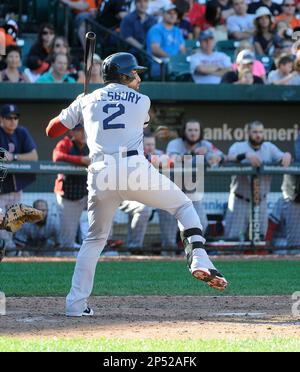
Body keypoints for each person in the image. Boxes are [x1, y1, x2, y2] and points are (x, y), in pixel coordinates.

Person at [46, 52, 228, 316]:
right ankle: (199, 258)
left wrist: (77, 106)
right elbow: (132, 120)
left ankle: (75, 305)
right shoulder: (143, 101)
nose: (138, 78)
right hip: (133, 167)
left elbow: (51, 131)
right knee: (183, 206)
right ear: (124, 75)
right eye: (135, 73)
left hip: (100, 171)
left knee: (95, 239)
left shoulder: (86, 100)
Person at [224, 121, 292, 240]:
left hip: (261, 202)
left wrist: (287, 155)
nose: (258, 135)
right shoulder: (238, 146)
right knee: (233, 239)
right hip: (240, 201)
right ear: (248, 132)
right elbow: (227, 158)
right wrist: (245, 155)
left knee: (260, 239)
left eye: (260, 132)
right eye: (255, 132)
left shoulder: (269, 147)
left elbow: (283, 157)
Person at [164, 118, 226, 244]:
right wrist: (192, 153)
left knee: (201, 223)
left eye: (196, 130)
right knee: (169, 229)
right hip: (171, 190)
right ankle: (168, 255)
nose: (193, 133)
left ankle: (192, 251)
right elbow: (172, 159)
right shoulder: (175, 143)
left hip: (191, 191)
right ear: (184, 131)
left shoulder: (205, 144)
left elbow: (223, 156)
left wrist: (216, 157)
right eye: (190, 130)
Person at [0, 104, 38, 250]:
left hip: (16, 188)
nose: (13, 121)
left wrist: (14, 157)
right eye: (9, 118)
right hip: (1, 188)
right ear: (1, 119)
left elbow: (33, 156)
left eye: (16, 117)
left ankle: (8, 253)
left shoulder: (21, 132)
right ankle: (9, 250)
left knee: (11, 226)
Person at [53, 124, 89, 253]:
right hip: (68, 194)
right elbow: (56, 156)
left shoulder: (91, 143)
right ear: (72, 132)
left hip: (86, 192)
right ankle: (64, 262)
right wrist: (81, 160)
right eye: (80, 130)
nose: (84, 133)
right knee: (67, 238)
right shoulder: (65, 143)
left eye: (85, 129)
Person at [147, 4, 186, 77]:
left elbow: (182, 49)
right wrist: (172, 58)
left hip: (175, 63)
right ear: (163, 14)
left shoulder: (177, 31)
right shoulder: (156, 29)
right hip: (159, 63)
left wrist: (179, 60)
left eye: (175, 13)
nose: (172, 15)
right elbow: (155, 49)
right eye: (169, 13)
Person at [265, 175, 300, 254]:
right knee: (281, 246)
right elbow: (271, 224)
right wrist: (267, 244)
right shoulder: (283, 201)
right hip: (282, 239)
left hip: (296, 242)